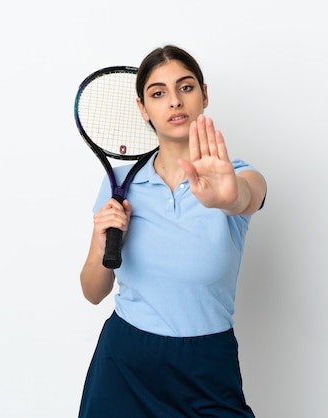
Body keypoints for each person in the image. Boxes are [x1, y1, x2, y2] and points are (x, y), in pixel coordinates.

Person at [78, 45, 267, 417]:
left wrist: (228, 197)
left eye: (186, 87)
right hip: (125, 363)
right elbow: (92, 291)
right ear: (143, 108)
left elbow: (246, 195)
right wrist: (103, 241)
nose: (174, 102)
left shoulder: (237, 176)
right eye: (158, 93)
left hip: (206, 364)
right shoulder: (118, 185)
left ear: (204, 95)